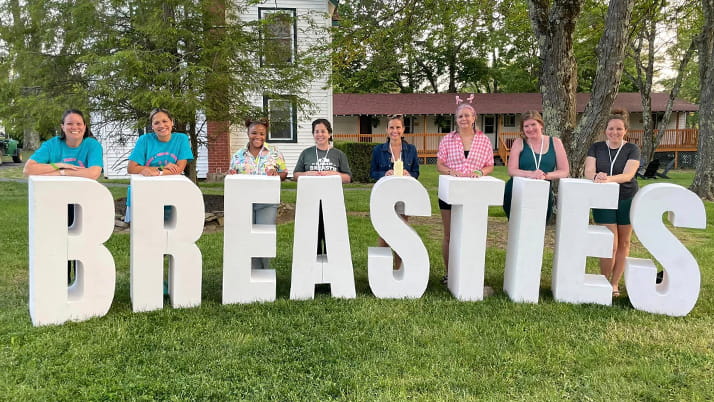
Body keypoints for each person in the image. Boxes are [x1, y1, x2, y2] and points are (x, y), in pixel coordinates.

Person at [23, 109, 104, 284]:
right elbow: (29, 169)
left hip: (84, 203)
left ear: (84, 126)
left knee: (81, 243)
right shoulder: (53, 145)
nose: (74, 127)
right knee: (60, 242)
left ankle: (83, 282)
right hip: (56, 202)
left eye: (78, 123)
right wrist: (59, 167)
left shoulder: (92, 145)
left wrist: (61, 172)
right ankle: (62, 281)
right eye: (70, 123)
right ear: (62, 127)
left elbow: (94, 172)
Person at [584, 108, 641, 297]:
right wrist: (596, 176)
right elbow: (588, 171)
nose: (614, 132)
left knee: (624, 242)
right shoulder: (597, 147)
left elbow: (628, 175)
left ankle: (615, 284)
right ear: (605, 130)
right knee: (610, 243)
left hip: (626, 198)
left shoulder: (632, 149)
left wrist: (606, 178)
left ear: (625, 130)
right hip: (603, 200)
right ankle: (603, 279)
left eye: (619, 129)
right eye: (611, 129)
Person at [436, 102, 494, 284]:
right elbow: (440, 164)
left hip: (474, 193)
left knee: (472, 234)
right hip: (451, 192)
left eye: (467, 115)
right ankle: (449, 273)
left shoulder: (484, 140)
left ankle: (470, 273)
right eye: (460, 116)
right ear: (456, 119)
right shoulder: (447, 139)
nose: (464, 119)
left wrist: (481, 172)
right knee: (449, 235)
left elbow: (490, 165)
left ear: (474, 118)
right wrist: (450, 171)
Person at [228, 118, 288, 269]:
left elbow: (284, 173)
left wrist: (276, 174)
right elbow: (232, 175)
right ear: (248, 133)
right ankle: (249, 271)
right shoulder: (238, 155)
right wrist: (232, 173)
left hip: (266, 203)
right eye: (254, 133)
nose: (258, 136)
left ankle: (263, 271)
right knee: (246, 237)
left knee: (263, 237)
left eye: (262, 133)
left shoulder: (274, 153)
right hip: (244, 203)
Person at [293, 118, 352, 255]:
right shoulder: (306, 153)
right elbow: (296, 175)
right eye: (316, 131)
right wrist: (307, 174)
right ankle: (315, 268)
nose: (320, 134)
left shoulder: (338, 154)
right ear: (313, 134)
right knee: (313, 235)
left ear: (329, 134)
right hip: (310, 201)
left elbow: (348, 178)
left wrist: (334, 174)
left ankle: (330, 269)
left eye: (323, 131)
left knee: (330, 235)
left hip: (332, 202)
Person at [124, 108, 194, 222]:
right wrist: (161, 168)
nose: (161, 125)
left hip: (170, 193)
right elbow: (131, 168)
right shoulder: (144, 140)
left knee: (169, 231)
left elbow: (179, 168)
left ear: (172, 122)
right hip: (144, 193)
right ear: (152, 126)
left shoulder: (181, 139)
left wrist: (156, 172)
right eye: (156, 123)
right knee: (144, 233)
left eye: (165, 121)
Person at [369, 114, 420, 269]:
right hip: (385, 195)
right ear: (387, 130)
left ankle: (399, 267)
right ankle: (382, 269)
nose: (395, 131)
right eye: (391, 127)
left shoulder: (411, 150)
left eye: (398, 127)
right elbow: (372, 173)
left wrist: (409, 174)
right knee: (385, 231)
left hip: (404, 195)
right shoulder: (379, 150)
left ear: (403, 130)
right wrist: (384, 174)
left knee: (402, 231)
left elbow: (416, 172)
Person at [503, 111, 569, 221]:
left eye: (533, 124)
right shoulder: (519, 142)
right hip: (517, 191)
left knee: (540, 225)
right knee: (518, 226)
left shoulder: (555, 142)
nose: (530, 129)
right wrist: (531, 174)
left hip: (542, 190)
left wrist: (545, 175)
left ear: (541, 125)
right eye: (526, 126)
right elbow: (511, 170)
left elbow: (564, 171)